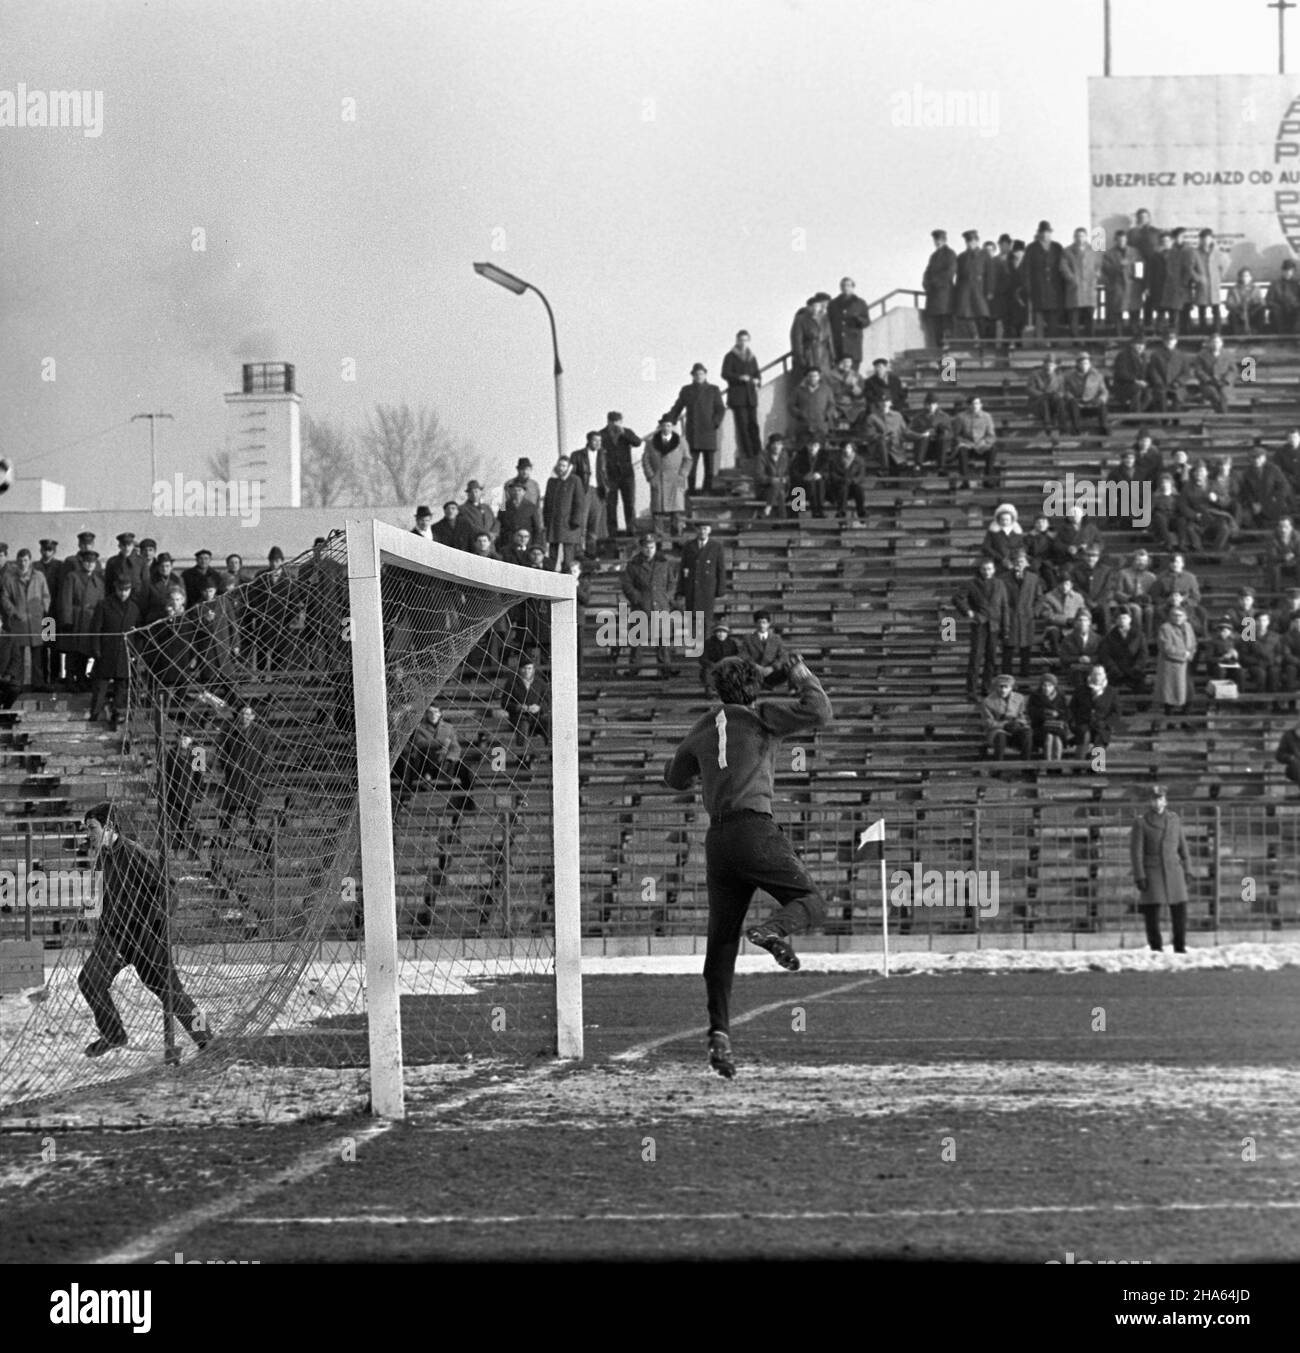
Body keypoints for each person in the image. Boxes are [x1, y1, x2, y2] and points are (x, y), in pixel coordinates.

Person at [663, 652, 832, 1078]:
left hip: (718, 840)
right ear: (753, 689)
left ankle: (718, 1033)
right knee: (811, 901)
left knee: (721, 942)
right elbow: (821, 711)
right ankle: (774, 929)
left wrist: (701, 769)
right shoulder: (763, 715)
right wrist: (800, 673)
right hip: (754, 829)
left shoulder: (702, 725)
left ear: (716, 691)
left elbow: (674, 778)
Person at [76, 802, 211, 1058]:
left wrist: (155, 925)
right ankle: (114, 1034)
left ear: (110, 827)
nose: (89, 834)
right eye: (87, 829)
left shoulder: (131, 852)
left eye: (92, 828)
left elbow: (168, 889)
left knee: (171, 992)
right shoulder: (103, 856)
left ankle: (206, 1039)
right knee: (89, 980)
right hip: (116, 937)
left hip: (144, 936)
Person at [1129, 785, 1192, 953]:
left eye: (1160, 799)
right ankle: (1156, 947)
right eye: (1154, 799)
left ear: (1165, 801)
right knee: (1152, 912)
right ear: (1150, 802)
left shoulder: (1174, 819)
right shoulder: (1141, 822)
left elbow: (1183, 847)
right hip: (1152, 870)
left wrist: (1188, 869)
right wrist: (1139, 875)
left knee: (1180, 910)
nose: (1157, 803)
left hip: (1173, 869)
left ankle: (1180, 946)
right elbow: (1136, 852)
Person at [394, 703, 476, 820]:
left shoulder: (448, 728)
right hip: (426, 763)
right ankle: (418, 786)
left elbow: (455, 748)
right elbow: (420, 744)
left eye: (436, 712)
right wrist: (440, 743)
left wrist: (450, 758)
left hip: (445, 762)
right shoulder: (419, 728)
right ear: (427, 714)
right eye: (430, 712)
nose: (433, 715)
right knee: (427, 755)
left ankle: (469, 800)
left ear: (440, 714)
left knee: (467, 771)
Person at [214, 702, 272, 861]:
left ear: (252, 717)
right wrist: (229, 767)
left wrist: (258, 768)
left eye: (248, 714)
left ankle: (255, 841)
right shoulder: (229, 732)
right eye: (242, 714)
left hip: (252, 777)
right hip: (235, 776)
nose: (245, 717)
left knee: (251, 812)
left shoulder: (260, 733)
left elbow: (266, 752)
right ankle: (224, 841)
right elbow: (221, 751)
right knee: (231, 810)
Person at [619, 533, 677, 676]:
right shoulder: (633, 564)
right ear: (641, 548)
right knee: (637, 637)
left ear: (655, 547)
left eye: (652, 547)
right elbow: (627, 585)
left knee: (663, 638)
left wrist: (666, 597)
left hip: (661, 604)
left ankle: (665, 668)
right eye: (646, 547)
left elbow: (672, 583)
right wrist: (637, 599)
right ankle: (634, 668)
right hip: (641, 605)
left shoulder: (664, 563)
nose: (649, 550)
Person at [88, 574, 140, 730]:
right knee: (101, 685)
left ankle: (118, 714)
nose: (123, 593)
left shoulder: (134, 608)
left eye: (126, 590)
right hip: (107, 650)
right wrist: (96, 649)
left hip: (124, 652)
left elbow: (136, 633)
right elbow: (95, 629)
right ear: (115, 589)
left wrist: (134, 652)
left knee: (121, 686)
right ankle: (95, 714)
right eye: (120, 590)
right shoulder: (104, 605)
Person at [667, 363, 727, 495]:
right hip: (693, 433)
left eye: (701, 373)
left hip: (708, 432)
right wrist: (669, 421)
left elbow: (720, 409)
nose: (698, 376)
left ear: (705, 374)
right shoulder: (687, 390)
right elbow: (677, 407)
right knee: (691, 465)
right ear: (692, 376)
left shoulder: (713, 390)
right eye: (696, 374)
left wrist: (714, 423)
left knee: (709, 466)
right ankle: (692, 490)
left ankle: (707, 489)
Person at [954, 559, 1006, 699]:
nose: (987, 572)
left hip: (994, 625)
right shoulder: (971, 583)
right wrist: (967, 611)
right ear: (980, 570)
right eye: (984, 569)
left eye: (989, 569)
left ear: (994, 570)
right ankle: (971, 690)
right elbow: (957, 598)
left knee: (991, 659)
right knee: (975, 658)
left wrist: (1005, 628)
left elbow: (1004, 607)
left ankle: (986, 689)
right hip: (979, 625)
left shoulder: (1000, 584)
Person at [0, 549, 50, 695]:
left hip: (36, 621)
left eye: (26, 560)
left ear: (30, 561)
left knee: (38, 654)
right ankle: (18, 684)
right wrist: (14, 612)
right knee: (18, 654)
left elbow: (46, 594)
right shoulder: (10, 578)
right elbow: (4, 597)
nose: (23, 563)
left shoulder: (39, 576)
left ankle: (38, 683)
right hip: (19, 621)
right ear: (17, 561)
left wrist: (43, 608)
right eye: (20, 560)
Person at [58, 550, 104, 692]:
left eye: (92, 562)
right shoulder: (72, 577)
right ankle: (70, 679)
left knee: (85, 651)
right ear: (82, 562)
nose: (90, 565)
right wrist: (67, 620)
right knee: (72, 652)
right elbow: (66, 599)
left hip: (89, 622)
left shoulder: (98, 582)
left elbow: (101, 603)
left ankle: (82, 678)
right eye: (87, 562)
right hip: (75, 620)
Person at [642, 416, 690, 538]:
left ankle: (677, 538)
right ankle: (658, 537)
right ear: (660, 427)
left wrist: (682, 475)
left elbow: (687, 460)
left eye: (668, 425)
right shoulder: (651, 442)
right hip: (658, 479)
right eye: (663, 425)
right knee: (657, 511)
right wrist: (651, 476)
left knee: (677, 512)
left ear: (673, 427)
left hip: (676, 479)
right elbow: (646, 460)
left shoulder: (681, 441)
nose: (666, 428)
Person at [721, 331, 762, 469]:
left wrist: (757, 380)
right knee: (743, 426)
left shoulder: (752, 356)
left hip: (750, 396)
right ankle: (748, 453)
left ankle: (758, 451)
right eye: (741, 340)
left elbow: (757, 373)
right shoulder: (730, 356)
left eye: (745, 340)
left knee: (753, 425)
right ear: (737, 340)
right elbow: (725, 373)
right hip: (738, 396)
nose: (743, 342)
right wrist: (739, 377)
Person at [678, 521, 727, 636]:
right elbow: (683, 568)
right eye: (700, 529)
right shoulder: (689, 546)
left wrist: (720, 589)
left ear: (709, 530)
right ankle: (694, 650)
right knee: (692, 621)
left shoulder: (716, 547)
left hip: (707, 590)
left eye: (705, 529)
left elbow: (720, 569)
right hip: (692, 590)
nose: (702, 531)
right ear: (696, 530)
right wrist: (681, 589)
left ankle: (705, 651)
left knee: (706, 622)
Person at [1155, 603, 1197, 727]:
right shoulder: (1165, 628)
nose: (1177, 618)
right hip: (1171, 665)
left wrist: (1190, 654)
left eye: (1180, 615)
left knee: (1189, 692)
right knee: (1171, 693)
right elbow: (1166, 647)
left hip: (1185, 664)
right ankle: (1170, 720)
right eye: (1174, 615)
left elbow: (1193, 643)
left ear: (1185, 616)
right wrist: (1183, 654)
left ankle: (1185, 718)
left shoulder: (1188, 626)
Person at [501, 657, 549, 767]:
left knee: (549, 723)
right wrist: (518, 707)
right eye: (525, 669)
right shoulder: (512, 683)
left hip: (537, 716)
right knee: (523, 725)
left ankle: (551, 754)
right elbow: (504, 703)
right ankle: (522, 759)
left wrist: (539, 707)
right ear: (520, 669)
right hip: (519, 717)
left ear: (533, 669)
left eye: (529, 668)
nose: (527, 671)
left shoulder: (540, 683)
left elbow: (548, 701)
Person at [541, 454, 586, 571]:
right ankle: (550, 575)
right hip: (554, 524)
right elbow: (547, 503)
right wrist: (546, 521)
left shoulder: (575, 480)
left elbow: (579, 502)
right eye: (559, 465)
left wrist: (575, 521)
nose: (561, 468)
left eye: (564, 466)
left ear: (569, 467)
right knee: (552, 554)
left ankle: (567, 576)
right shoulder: (552, 481)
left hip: (569, 524)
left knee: (568, 556)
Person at [1022, 220, 1065, 338]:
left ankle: (1053, 341)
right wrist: (1028, 287)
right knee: (1039, 317)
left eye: (1048, 232)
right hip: (1038, 288)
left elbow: (1063, 267)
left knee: (1053, 317)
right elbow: (1026, 270)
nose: (1046, 235)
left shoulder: (1057, 247)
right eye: (1043, 232)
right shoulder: (1031, 248)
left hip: (1054, 289)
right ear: (1039, 233)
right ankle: (1041, 342)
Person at [1071, 664, 1122, 760]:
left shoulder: (1111, 691)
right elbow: (1073, 708)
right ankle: (1078, 765)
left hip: (1102, 724)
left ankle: (1096, 767)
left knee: (1100, 737)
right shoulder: (1081, 689)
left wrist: (1106, 723)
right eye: (1095, 674)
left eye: (1100, 674)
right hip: (1083, 723)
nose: (1097, 677)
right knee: (1084, 735)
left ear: (1104, 675)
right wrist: (1075, 721)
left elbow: (1116, 712)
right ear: (1090, 675)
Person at [1060, 226, 1100, 338]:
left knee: (1090, 316)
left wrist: (1096, 275)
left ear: (1086, 237)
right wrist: (1072, 279)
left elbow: (1098, 266)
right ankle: (1075, 339)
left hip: (1089, 288)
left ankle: (1090, 339)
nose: (1080, 238)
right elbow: (1063, 267)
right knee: (1074, 316)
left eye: (1082, 236)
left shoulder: (1093, 250)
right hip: (1075, 288)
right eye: (1077, 236)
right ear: (1074, 237)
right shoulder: (1067, 251)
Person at [1101, 228, 1142, 335]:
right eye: (1119, 240)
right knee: (1118, 314)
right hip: (1118, 287)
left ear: (1127, 240)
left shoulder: (1135, 252)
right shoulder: (1109, 254)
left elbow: (1141, 266)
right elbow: (1106, 269)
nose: (1121, 242)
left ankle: (1135, 337)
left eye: (1123, 240)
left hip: (1133, 287)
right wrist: (1119, 266)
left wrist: (1138, 279)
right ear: (1115, 240)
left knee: (1134, 313)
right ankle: (1119, 337)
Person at [980, 673, 1030, 761]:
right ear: (996, 687)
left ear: (1011, 687)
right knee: (1000, 736)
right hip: (996, 731)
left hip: (1015, 729)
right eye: (1001, 687)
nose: (1003, 690)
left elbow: (1023, 715)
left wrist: (1018, 723)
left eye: (1006, 687)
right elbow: (988, 721)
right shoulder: (988, 701)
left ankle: (1026, 765)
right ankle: (998, 768)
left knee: (1027, 733)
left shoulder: (1019, 698)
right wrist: (1004, 725)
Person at [952, 395, 997, 490]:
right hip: (967, 445)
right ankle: (965, 481)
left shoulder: (987, 416)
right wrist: (963, 442)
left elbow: (991, 435)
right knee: (961, 450)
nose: (975, 406)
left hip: (981, 445)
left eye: (977, 403)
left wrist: (985, 442)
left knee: (992, 449)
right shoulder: (961, 417)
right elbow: (956, 435)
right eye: (972, 404)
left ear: (981, 405)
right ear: (968, 405)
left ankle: (988, 479)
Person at [922, 230, 957, 347]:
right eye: (936, 240)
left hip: (945, 294)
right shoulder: (934, 256)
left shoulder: (950, 254)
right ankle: (940, 351)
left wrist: (935, 282)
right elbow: (927, 271)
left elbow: (950, 272)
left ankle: (948, 358)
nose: (937, 243)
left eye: (940, 240)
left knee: (945, 322)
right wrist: (926, 283)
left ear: (944, 240)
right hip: (933, 295)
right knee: (936, 325)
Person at [739, 610, 791, 689]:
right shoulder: (748, 638)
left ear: (769, 624)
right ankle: (762, 685)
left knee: (788, 668)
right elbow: (743, 655)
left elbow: (783, 656)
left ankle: (765, 684)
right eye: (759, 622)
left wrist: (772, 667)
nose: (761, 625)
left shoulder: (776, 638)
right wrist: (756, 667)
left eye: (764, 622)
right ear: (755, 623)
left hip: (772, 672)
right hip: (754, 671)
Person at [828, 276, 871, 368]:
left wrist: (858, 319)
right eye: (843, 285)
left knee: (853, 376)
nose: (845, 288)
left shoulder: (860, 303)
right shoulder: (833, 304)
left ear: (853, 287)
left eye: (848, 285)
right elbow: (829, 322)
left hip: (853, 346)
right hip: (838, 346)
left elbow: (867, 322)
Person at [954, 228, 990, 340]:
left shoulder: (984, 255)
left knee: (981, 315)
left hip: (979, 290)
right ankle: (975, 337)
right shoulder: (961, 257)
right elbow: (959, 276)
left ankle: (983, 339)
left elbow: (990, 274)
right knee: (967, 316)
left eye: (972, 241)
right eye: (968, 241)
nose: (970, 244)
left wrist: (989, 290)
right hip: (965, 291)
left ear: (977, 241)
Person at [789, 292, 834, 381]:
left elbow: (830, 337)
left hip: (824, 355)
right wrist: (800, 357)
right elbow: (797, 340)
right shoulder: (801, 318)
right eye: (823, 304)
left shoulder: (825, 318)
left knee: (825, 381)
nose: (825, 307)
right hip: (810, 355)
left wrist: (833, 356)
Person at [1064, 353, 1110, 436]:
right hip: (1077, 404)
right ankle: (1076, 428)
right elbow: (1066, 390)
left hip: (1092, 403)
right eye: (1081, 363)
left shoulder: (1097, 376)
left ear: (1090, 364)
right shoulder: (1070, 376)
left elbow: (1104, 391)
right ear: (1077, 364)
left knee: (1102, 405)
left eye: (1086, 363)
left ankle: (1104, 427)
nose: (1084, 366)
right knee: (1072, 405)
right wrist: (1071, 398)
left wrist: (1101, 399)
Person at [1028, 673, 1070, 760]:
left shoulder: (1060, 696)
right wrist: (1045, 713)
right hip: (1041, 726)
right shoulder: (1035, 696)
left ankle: (1056, 766)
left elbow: (1067, 713)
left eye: (1050, 686)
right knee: (1049, 737)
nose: (1046, 688)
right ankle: (1048, 764)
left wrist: (1057, 713)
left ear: (1054, 686)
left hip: (1058, 726)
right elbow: (1032, 712)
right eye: (1044, 685)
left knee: (1057, 739)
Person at [496, 480, 544, 552]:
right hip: (508, 541)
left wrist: (535, 544)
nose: (517, 493)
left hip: (525, 541)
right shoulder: (503, 506)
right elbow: (499, 523)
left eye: (519, 490)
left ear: (524, 492)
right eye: (514, 490)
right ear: (510, 492)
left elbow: (537, 527)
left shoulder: (531, 506)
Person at [1194, 333, 1234, 414]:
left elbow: (1233, 370)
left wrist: (1226, 380)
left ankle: (1223, 416)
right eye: (1213, 342)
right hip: (1208, 383)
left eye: (1218, 342)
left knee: (1223, 393)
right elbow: (1198, 370)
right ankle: (1221, 415)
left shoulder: (1228, 354)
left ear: (1222, 343)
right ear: (1209, 343)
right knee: (1214, 394)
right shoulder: (1201, 355)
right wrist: (1208, 379)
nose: (1216, 344)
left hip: (1223, 382)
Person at [1111, 336, 1152, 413]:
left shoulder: (1144, 356)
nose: (1140, 347)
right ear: (1132, 345)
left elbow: (1145, 373)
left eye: (1142, 345)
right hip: (1123, 385)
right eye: (1138, 344)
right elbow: (1121, 373)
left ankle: (1135, 416)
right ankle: (1134, 418)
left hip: (1138, 384)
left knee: (1149, 394)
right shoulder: (1123, 355)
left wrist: (1146, 382)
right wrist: (1136, 381)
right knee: (1137, 391)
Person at [1027, 355, 1066, 433]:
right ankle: (1047, 424)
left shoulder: (1059, 376)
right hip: (1038, 403)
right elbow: (1030, 389)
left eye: (1051, 365)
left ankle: (1062, 424)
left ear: (1056, 366)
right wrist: (1042, 395)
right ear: (1044, 364)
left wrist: (1057, 395)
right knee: (1044, 400)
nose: (1049, 367)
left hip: (1053, 403)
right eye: (1047, 364)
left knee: (1059, 400)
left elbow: (1062, 391)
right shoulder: (1035, 374)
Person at [755, 433, 791, 520]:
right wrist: (771, 480)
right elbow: (759, 476)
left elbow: (789, 473)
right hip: (765, 490)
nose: (776, 447)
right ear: (770, 445)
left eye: (779, 444)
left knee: (779, 488)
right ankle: (782, 518)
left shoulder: (785, 456)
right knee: (778, 489)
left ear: (782, 446)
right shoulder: (763, 456)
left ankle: (768, 509)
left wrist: (785, 479)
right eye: (774, 444)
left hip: (782, 487)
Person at [699, 618, 739, 694]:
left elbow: (736, 656)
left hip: (727, 666)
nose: (721, 634)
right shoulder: (708, 643)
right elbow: (702, 658)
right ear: (715, 633)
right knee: (708, 671)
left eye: (724, 632)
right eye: (719, 632)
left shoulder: (731, 643)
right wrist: (712, 665)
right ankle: (710, 688)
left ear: (727, 633)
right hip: (713, 666)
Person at [1224, 268, 1266, 336]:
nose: (1245, 278)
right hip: (1238, 312)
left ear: (1251, 277)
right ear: (1239, 277)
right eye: (1243, 276)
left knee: (1261, 312)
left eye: (1247, 276)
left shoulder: (1255, 288)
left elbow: (1261, 302)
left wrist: (1253, 310)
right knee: (1232, 315)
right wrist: (1239, 312)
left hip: (1252, 312)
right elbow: (1229, 304)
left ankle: (1258, 335)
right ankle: (1237, 335)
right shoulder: (1233, 289)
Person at [1267, 259, 1300, 335]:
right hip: (1279, 311)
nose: (1288, 273)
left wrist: (1296, 305)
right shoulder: (1275, 284)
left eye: (1291, 271)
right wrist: (1277, 306)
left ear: (1293, 272)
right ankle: (1281, 335)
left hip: (1293, 310)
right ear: (1282, 271)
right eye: (1286, 271)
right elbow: (1268, 300)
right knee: (1276, 312)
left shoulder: (1296, 284)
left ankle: (1296, 336)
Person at [1274, 714, 1300, 794]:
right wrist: (1290, 758)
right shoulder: (1288, 736)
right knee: (1296, 763)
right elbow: (1279, 755)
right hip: (1294, 768)